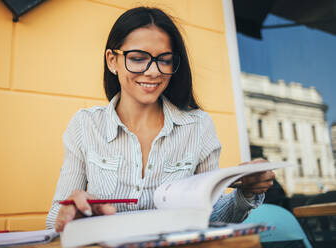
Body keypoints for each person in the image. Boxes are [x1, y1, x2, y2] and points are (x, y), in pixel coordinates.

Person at [46, 6, 275, 232]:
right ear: (112, 61)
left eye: (164, 60)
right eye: (137, 58)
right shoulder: (85, 125)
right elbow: (55, 218)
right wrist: (72, 215)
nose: (154, 72)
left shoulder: (198, 127)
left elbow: (210, 216)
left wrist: (245, 193)